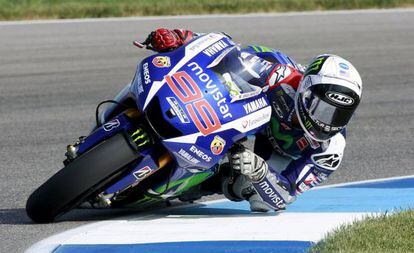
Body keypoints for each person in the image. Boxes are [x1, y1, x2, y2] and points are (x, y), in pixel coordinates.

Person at [141, 28, 363, 212]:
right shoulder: (279, 73)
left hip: (278, 156)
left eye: (338, 114)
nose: (326, 121)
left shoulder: (330, 151)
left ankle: (195, 185)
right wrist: (181, 38)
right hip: (253, 116)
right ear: (305, 90)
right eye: (321, 107)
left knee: (256, 197)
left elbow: (285, 196)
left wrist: (260, 173)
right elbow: (223, 50)